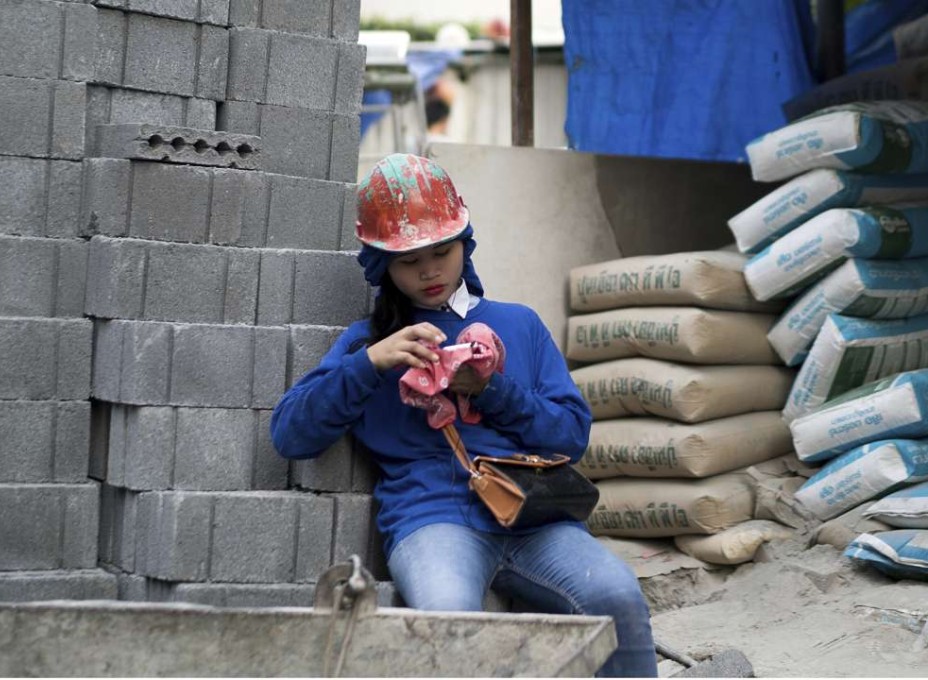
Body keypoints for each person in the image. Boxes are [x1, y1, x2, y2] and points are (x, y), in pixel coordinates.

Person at [270, 153, 657, 678]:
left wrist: (491, 389)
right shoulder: (370, 343)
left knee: (618, 596)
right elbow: (291, 436)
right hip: (432, 521)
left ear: (464, 244)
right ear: (382, 265)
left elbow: (570, 437)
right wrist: (370, 364)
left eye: (442, 250)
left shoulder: (519, 324)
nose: (429, 270)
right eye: (409, 260)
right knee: (448, 625)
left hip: (534, 519)